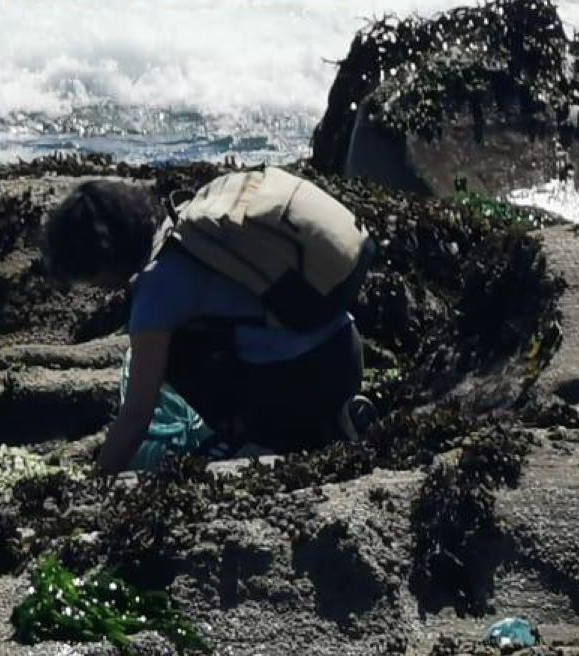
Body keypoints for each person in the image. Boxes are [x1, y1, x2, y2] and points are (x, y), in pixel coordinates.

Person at [42, 177, 370, 472]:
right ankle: (333, 420)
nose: (95, 287)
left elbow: (137, 415)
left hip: (303, 385)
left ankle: (258, 438)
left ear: (106, 257)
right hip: (344, 350)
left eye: (90, 276)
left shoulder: (157, 287)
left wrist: (97, 482)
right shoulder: (191, 224)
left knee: (176, 354)